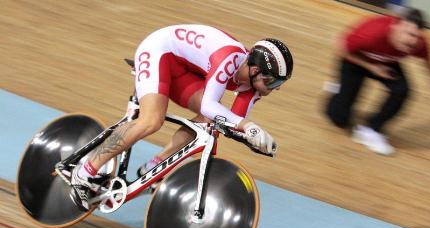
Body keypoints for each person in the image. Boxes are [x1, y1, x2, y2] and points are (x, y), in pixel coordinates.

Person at [69, 24, 294, 211]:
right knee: (151, 120)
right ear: (254, 70)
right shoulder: (229, 57)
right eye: (272, 82)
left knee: (210, 123)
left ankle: (153, 167)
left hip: (181, 68)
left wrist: (255, 140)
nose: (274, 89)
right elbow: (209, 105)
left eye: (279, 84)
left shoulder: (254, 89)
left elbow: (230, 122)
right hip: (159, 50)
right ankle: (84, 171)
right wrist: (248, 126)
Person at [325, 8, 430, 155]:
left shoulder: (417, 43)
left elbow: (427, 59)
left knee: (402, 90)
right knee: (339, 119)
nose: (413, 40)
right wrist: (371, 67)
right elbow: (340, 47)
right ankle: (337, 90)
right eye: (410, 34)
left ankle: (371, 130)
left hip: (386, 63)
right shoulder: (372, 34)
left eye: (417, 36)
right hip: (356, 61)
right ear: (397, 25)